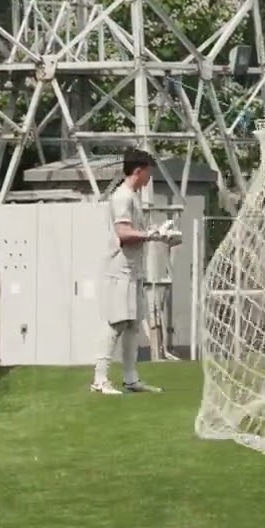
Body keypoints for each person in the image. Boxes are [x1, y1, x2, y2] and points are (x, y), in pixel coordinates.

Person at [91, 147, 181, 394]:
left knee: (132, 325)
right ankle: (100, 380)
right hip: (119, 270)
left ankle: (130, 379)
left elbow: (135, 230)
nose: (149, 178)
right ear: (138, 171)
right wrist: (153, 235)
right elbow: (124, 234)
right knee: (116, 323)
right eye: (148, 173)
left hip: (133, 271)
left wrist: (159, 233)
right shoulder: (122, 197)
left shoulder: (133, 196)